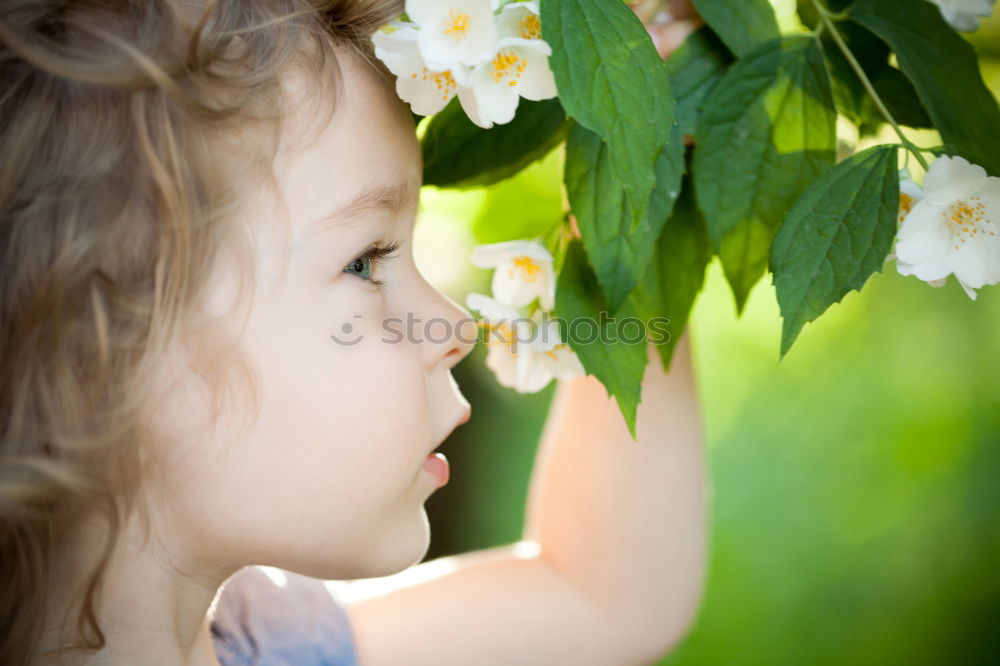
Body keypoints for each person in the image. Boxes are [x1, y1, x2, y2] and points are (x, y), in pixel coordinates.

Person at [0, 1, 708, 664]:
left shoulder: (269, 639)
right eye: (366, 260)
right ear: (100, 343)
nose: (456, 327)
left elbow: (601, 593)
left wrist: (632, 210)